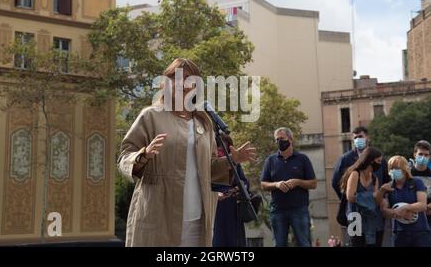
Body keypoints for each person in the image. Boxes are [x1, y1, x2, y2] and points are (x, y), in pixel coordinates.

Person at [117, 58, 257, 247]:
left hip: (198, 219)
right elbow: (125, 156)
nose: (183, 83)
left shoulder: (204, 122)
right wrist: (143, 155)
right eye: (177, 78)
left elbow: (209, 169)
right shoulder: (151, 116)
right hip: (159, 217)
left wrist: (234, 159)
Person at [260, 127, 317, 247]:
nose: (279, 142)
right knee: (279, 244)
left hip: (299, 209)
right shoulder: (270, 160)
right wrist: (276, 184)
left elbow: (313, 183)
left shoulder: (303, 159)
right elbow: (263, 184)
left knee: (304, 243)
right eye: (276, 139)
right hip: (277, 210)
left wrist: (297, 182)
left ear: (290, 139)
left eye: (282, 138)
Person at [339, 147, 386, 247]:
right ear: (370, 160)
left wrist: (381, 192)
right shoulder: (355, 174)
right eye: (378, 161)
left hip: (371, 219)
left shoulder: (374, 178)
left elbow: (376, 202)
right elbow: (350, 196)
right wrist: (371, 195)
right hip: (355, 218)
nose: (380, 164)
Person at [380, 156, 431, 247]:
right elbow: (384, 210)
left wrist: (405, 208)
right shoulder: (388, 187)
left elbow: (422, 205)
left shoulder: (416, 182)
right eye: (392, 168)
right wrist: (397, 213)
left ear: (405, 169)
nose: (394, 170)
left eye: (397, 168)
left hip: (420, 231)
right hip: (400, 233)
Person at [212, 133, 250, 247]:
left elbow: (245, 182)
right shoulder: (208, 164)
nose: (220, 148)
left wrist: (235, 190)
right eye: (218, 145)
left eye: (225, 145)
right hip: (214, 208)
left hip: (232, 208)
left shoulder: (234, 163)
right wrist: (214, 194)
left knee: (234, 240)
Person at [410, 141, 431, 227]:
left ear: (429, 157)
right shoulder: (407, 175)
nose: (423, 157)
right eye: (420, 154)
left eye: (426, 155)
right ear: (415, 154)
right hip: (411, 217)